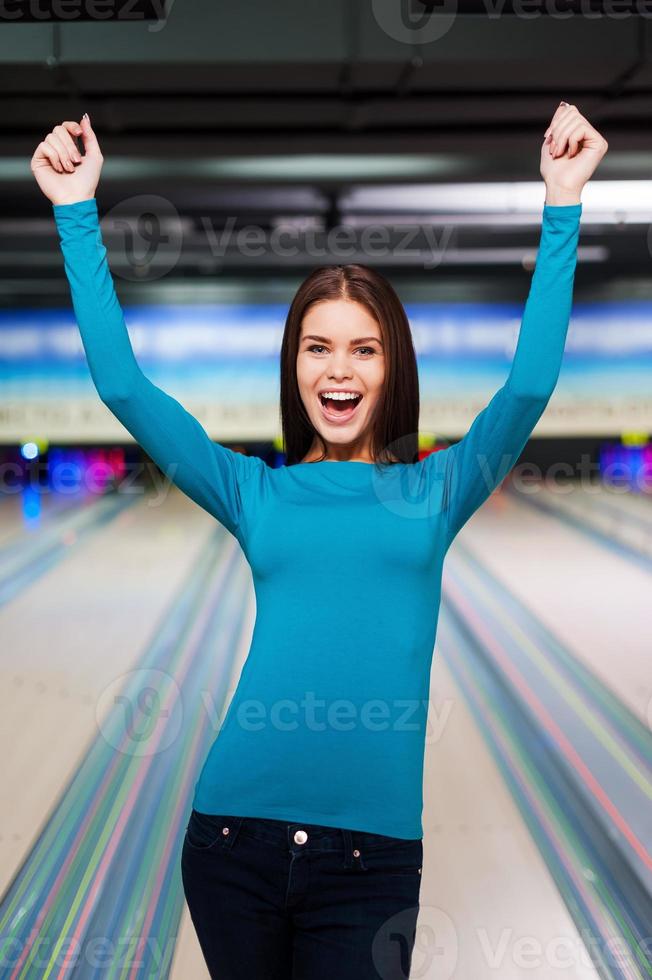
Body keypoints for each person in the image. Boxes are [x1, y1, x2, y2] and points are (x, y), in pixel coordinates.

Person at [31, 104, 607, 980]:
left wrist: (561, 201)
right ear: (294, 367)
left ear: (393, 367)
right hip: (232, 841)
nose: (339, 370)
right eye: (317, 348)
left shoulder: (437, 491)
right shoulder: (253, 493)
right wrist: (78, 211)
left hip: (369, 864)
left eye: (364, 350)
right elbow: (122, 385)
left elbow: (527, 387)